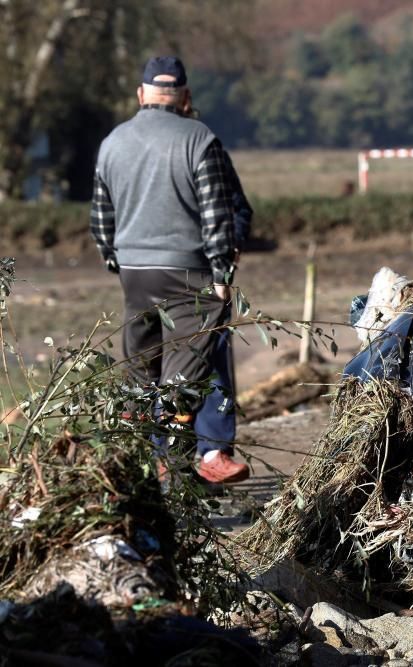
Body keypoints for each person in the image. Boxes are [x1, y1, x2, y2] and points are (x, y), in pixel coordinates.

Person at [90, 55, 250, 484]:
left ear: (141, 94)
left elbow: (101, 216)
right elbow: (219, 214)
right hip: (188, 271)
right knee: (194, 366)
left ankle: (140, 462)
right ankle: (186, 462)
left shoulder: (112, 142)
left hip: (135, 273)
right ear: (185, 96)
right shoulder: (199, 139)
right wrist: (221, 276)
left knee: (142, 371)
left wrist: (115, 259)